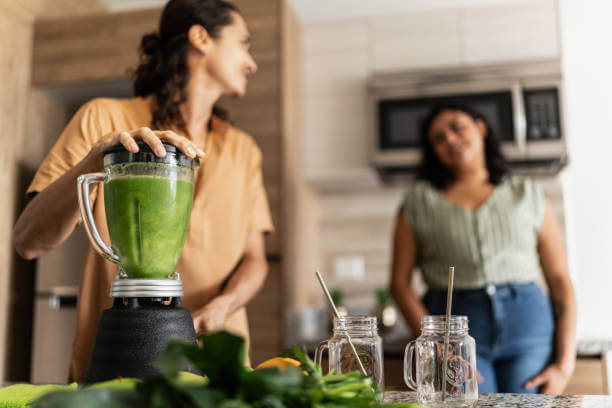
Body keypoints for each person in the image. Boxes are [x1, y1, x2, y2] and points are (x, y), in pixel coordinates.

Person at [12, 0, 273, 383]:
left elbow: (256, 259)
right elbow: (28, 242)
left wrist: (224, 305)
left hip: (220, 372)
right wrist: (95, 161)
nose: (252, 62)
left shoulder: (244, 150)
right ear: (201, 38)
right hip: (118, 372)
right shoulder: (104, 119)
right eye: (243, 43)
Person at [390, 103, 576, 394]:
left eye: (456, 127)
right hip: (453, 333)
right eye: (438, 138)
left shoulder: (527, 194)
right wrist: (435, 347)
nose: (450, 139)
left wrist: (564, 365)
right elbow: (399, 285)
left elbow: (560, 280)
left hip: (528, 329)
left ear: (480, 128)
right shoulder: (417, 203)